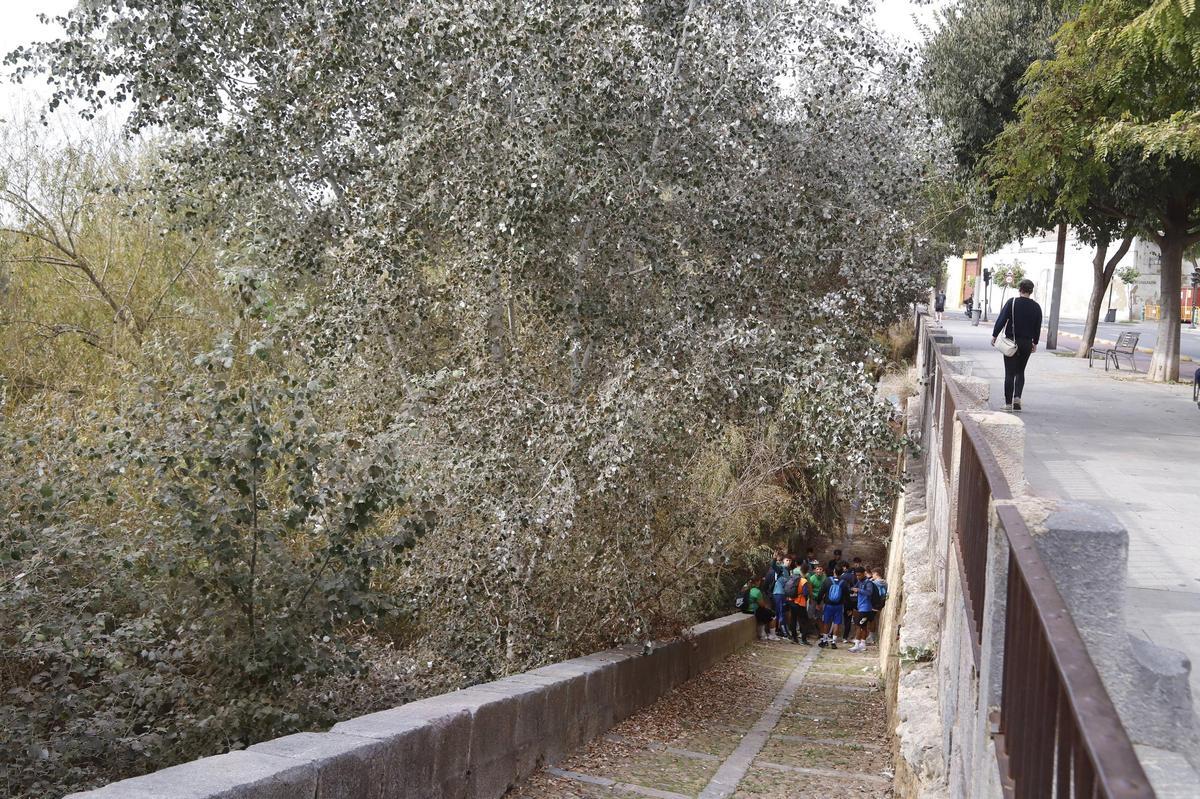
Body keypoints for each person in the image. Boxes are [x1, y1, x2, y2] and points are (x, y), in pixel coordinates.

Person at [991, 279, 1043, 413]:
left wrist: (995, 335)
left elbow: (1002, 319)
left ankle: (1008, 404)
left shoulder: (1012, 302)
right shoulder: (1036, 307)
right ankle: (1017, 398)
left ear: (1020, 289)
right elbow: (1037, 327)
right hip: (1026, 343)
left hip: (1011, 342)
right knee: (1020, 371)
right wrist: (1035, 342)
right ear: (1031, 291)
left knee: (1010, 373)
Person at [849, 567, 878, 653]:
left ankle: (857, 645)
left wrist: (859, 590)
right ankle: (863, 644)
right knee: (863, 626)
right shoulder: (859, 581)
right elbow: (854, 588)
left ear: (864, 573)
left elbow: (869, 592)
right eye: (856, 575)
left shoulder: (868, 582)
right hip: (861, 607)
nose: (858, 577)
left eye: (859, 575)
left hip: (865, 608)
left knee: (859, 626)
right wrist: (852, 589)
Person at [818, 565, 847, 649]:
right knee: (837, 623)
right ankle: (834, 642)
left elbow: (821, 592)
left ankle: (825, 640)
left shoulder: (827, 580)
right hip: (839, 606)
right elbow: (847, 596)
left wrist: (818, 602)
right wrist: (848, 607)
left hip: (828, 605)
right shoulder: (843, 582)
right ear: (842, 573)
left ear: (834, 571)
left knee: (826, 622)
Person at [786, 566, 812, 645]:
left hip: (792, 601)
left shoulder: (793, 578)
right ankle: (803, 639)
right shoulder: (804, 581)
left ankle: (794, 638)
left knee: (793, 620)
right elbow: (805, 593)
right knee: (804, 621)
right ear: (807, 572)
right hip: (800, 602)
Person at [805, 563, 827, 639]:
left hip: (821, 600)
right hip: (813, 599)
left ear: (823, 571)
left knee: (819, 617)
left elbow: (825, 589)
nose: (819, 571)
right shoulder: (812, 578)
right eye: (817, 569)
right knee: (809, 616)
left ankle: (821, 633)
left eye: (820, 569)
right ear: (815, 570)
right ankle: (806, 632)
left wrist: (820, 601)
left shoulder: (825, 578)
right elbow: (810, 590)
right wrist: (812, 600)